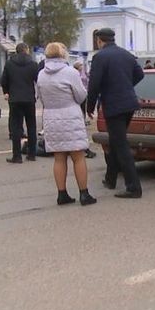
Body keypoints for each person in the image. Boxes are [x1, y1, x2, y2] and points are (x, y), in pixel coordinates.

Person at [86, 28, 144, 199]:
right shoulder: (126, 54)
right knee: (115, 141)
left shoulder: (100, 57)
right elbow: (140, 74)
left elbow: (94, 84)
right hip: (129, 104)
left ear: (99, 41)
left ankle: (134, 187)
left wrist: (89, 106)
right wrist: (126, 85)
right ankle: (110, 178)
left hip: (114, 105)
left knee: (120, 145)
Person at [37, 42, 97, 206]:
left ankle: (61, 194)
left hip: (51, 117)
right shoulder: (70, 72)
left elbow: (40, 96)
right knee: (78, 156)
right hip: (70, 115)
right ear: (63, 55)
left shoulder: (41, 74)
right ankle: (84, 194)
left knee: (59, 157)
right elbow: (80, 96)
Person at [1, 43, 38, 163]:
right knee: (31, 126)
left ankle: (16, 156)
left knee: (16, 127)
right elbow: (38, 80)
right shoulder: (33, 64)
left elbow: (4, 80)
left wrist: (6, 91)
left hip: (15, 99)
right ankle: (32, 154)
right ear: (26, 50)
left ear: (16, 51)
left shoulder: (9, 64)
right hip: (29, 98)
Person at [73, 61, 96, 159]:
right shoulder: (74, 75)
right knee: (78, 130)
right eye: (80, 66)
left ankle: (84, 149)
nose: (82, 67)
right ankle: (84, 150)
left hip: (77, 100)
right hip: (76, 101)